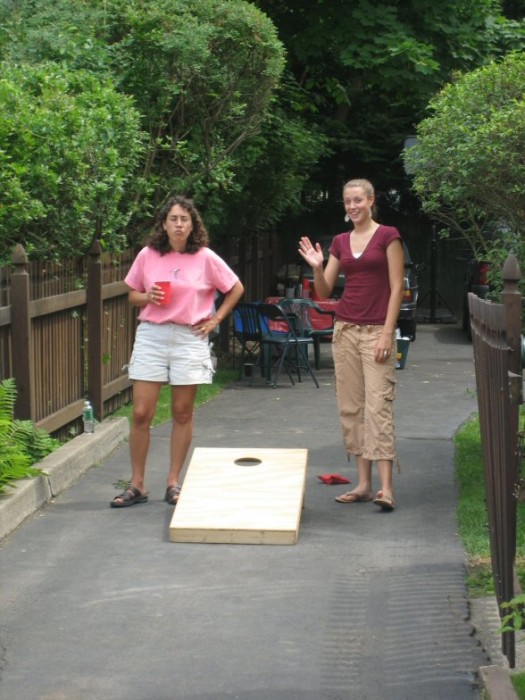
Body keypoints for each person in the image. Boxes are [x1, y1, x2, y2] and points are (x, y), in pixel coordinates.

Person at [111, 195, 244, 508]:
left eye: (185, 219)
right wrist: (147, 296)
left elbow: (235, 287)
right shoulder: (148, 254)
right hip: (152, 336)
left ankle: (173, 482)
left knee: (182, 412)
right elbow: (131, 295)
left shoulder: (206, 257)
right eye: (173, 219)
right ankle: (137, 485)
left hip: (190, 336)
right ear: (164, 223)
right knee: (142, 412)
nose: (179, 224)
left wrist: (216, 319)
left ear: (193, 224)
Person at [298, 178, 404, 511]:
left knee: (378, 407)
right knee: (351, 408)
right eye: (347, 201)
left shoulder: (388, 236)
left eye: (358, 200)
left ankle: (386, 489)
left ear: (371, 200)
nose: (352, 206)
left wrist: (388, 333)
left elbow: (397, 287)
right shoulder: (341, 243)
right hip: (345, 331)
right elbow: (325, 291)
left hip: (376, 333)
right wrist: (317, 268)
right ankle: (362, 485)